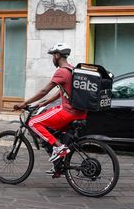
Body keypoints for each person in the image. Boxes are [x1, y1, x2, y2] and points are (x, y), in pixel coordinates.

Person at [14, 43, 87, 175]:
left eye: (53, 55)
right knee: (51, 129)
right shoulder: (71, 69)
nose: (52, 58)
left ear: (57, 55)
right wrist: (43, 103)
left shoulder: (61, 71)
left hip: (68, 112)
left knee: (33, 122)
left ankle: (59, 148)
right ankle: (58, 165)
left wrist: (25, 103)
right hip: (79, 113)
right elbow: (62, 92)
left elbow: (44, 90)